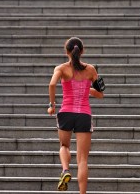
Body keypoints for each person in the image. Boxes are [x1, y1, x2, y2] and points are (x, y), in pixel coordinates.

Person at [47, 37, 104, 193]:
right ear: (82, 51)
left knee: (64, 146)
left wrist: (52, 105)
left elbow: (52, 84)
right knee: (83, 160)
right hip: (84, 115)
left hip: (66, 112)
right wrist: (88, 90)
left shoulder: (61, 68)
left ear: (66, 51)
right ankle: (82, 193)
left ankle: (65, 170)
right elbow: (101, 93)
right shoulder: (91, 69)